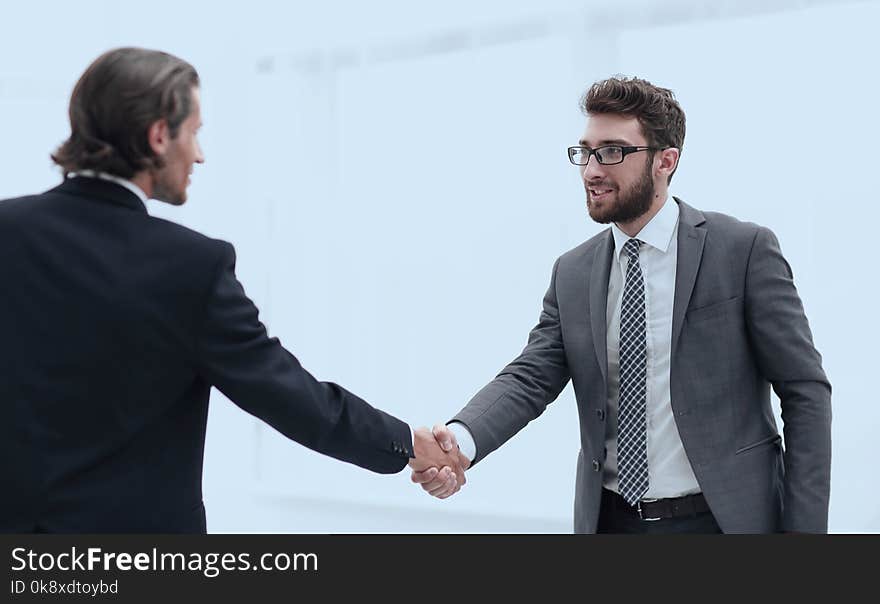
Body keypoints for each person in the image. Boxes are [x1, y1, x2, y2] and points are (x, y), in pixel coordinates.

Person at [0, 47, 464, 533]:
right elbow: (290, 396)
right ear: (159, 135)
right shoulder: (189, 266)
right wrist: (407, 443)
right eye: (195, 132)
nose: (199, 154)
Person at [411, 76, 832, 534]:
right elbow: (530, 376)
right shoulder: (573, 272)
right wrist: (461, 443)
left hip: (722, 522)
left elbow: (804, 390)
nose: (592, 169)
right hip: (611, 523)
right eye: (585, 151)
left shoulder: (742, 250)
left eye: (612, 151)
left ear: (665, 162)